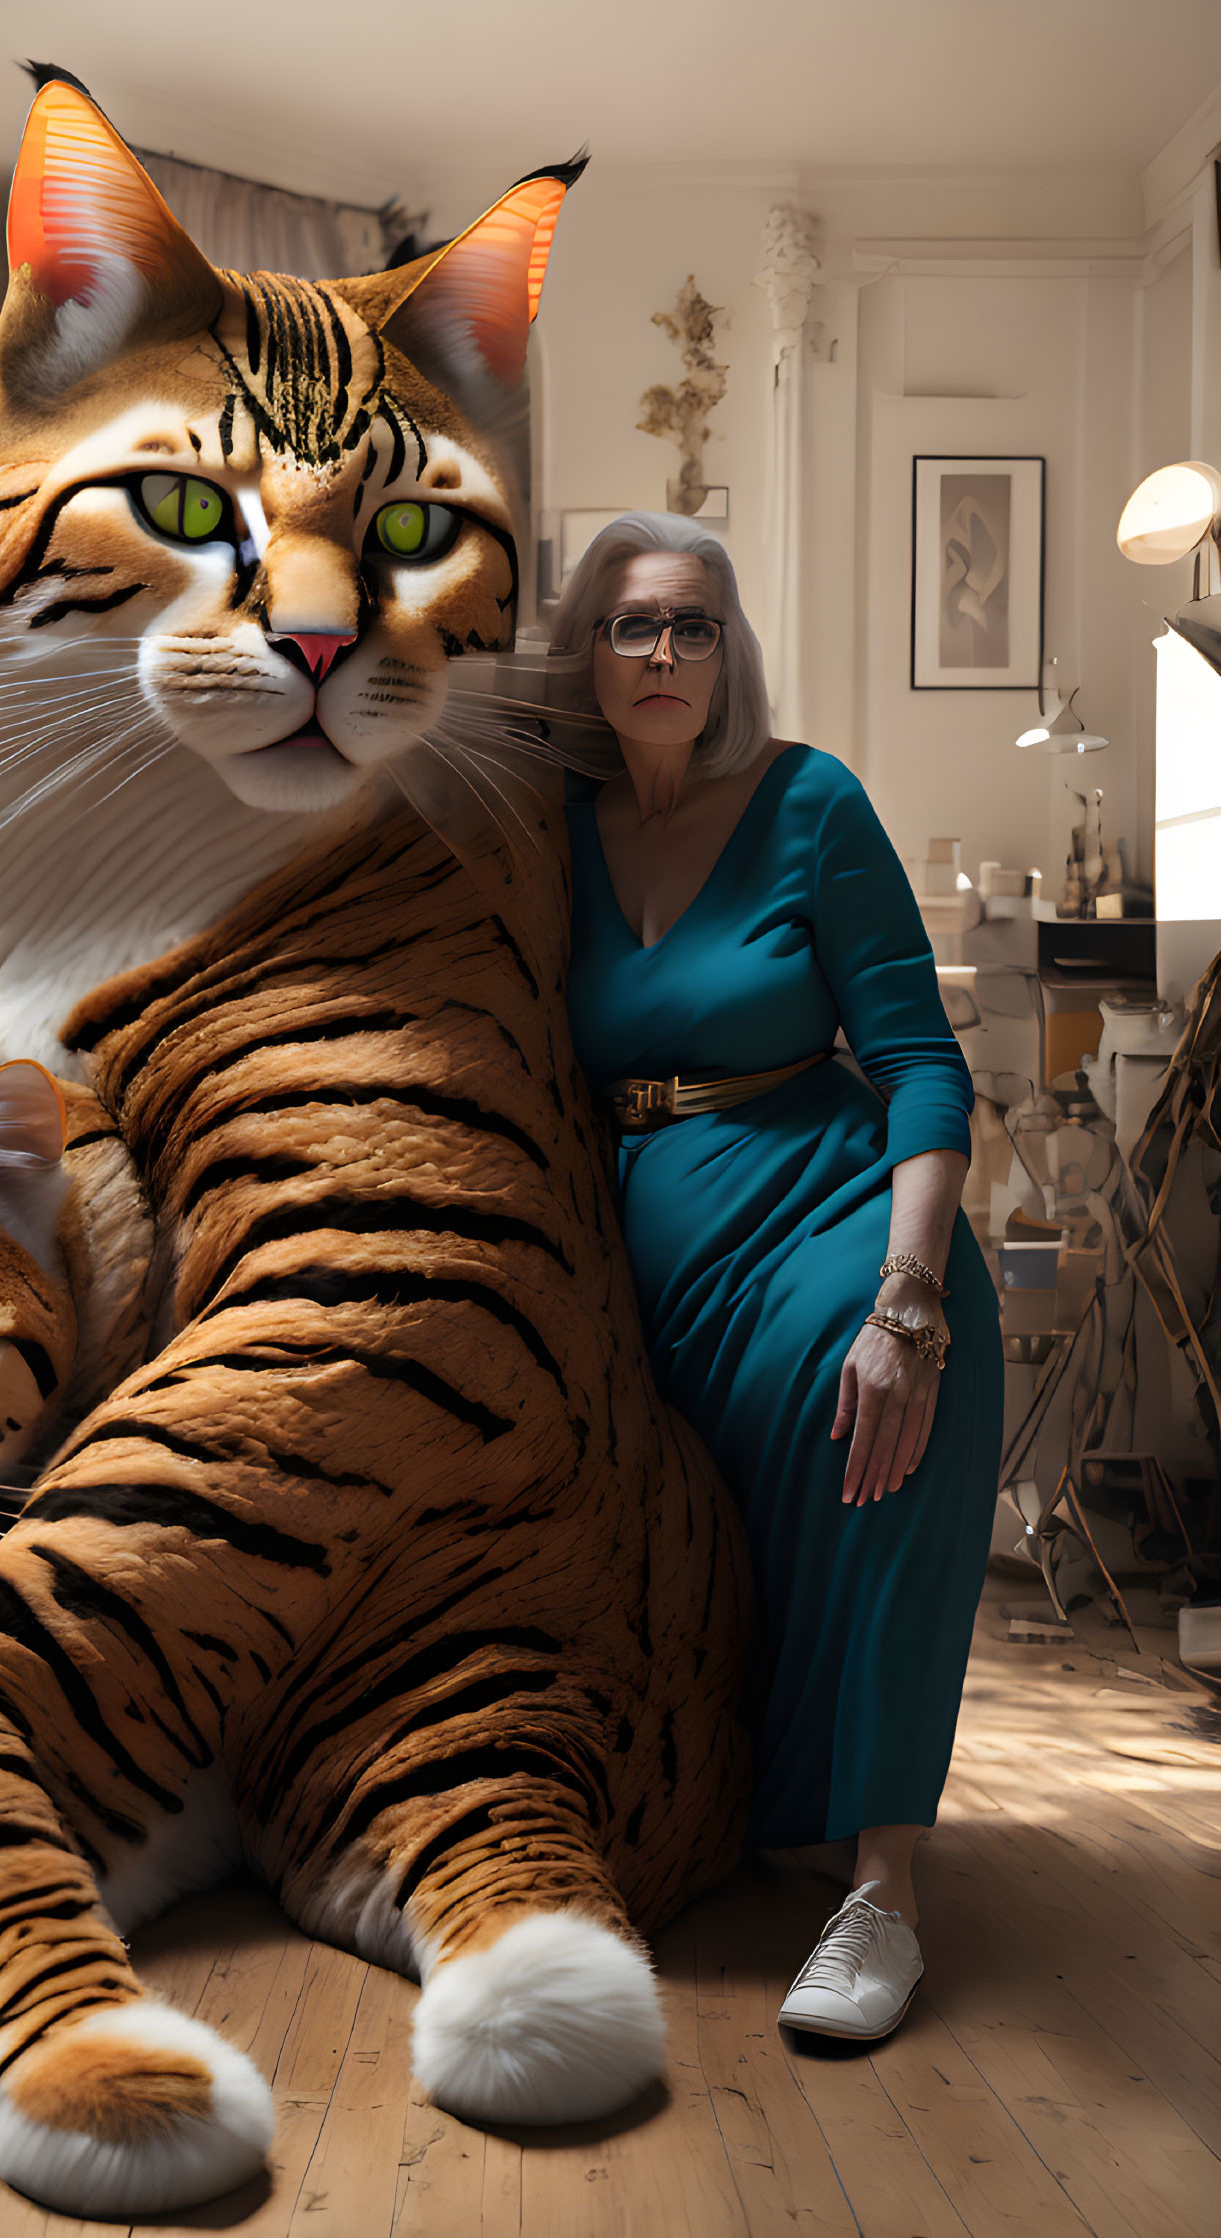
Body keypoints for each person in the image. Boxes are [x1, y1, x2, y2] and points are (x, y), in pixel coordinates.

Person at [552, 511, 1003, 2043]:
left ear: (727, 646)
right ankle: (781, 1808)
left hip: (825, 1215)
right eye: (629, 625)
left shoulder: (808, 801)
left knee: (870, 1395)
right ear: (587, 650)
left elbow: (921, 1069)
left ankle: (882, 1889)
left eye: (689, 624)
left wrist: (910, 1297)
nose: (662, 653)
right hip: (636, 1247)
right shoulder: (556, 820)